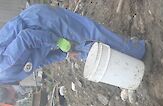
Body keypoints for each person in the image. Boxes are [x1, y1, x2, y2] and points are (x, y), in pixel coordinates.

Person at [0, 4, 146, 85]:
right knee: (81, 49)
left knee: (91, 33)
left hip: (42, 22)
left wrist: (58, 41)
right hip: (41, 30)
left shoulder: (5, 70)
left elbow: (27, 37)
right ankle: (125, 61)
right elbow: (40, 60)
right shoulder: (9, 75)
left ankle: (138, 51)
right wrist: (64, 54)